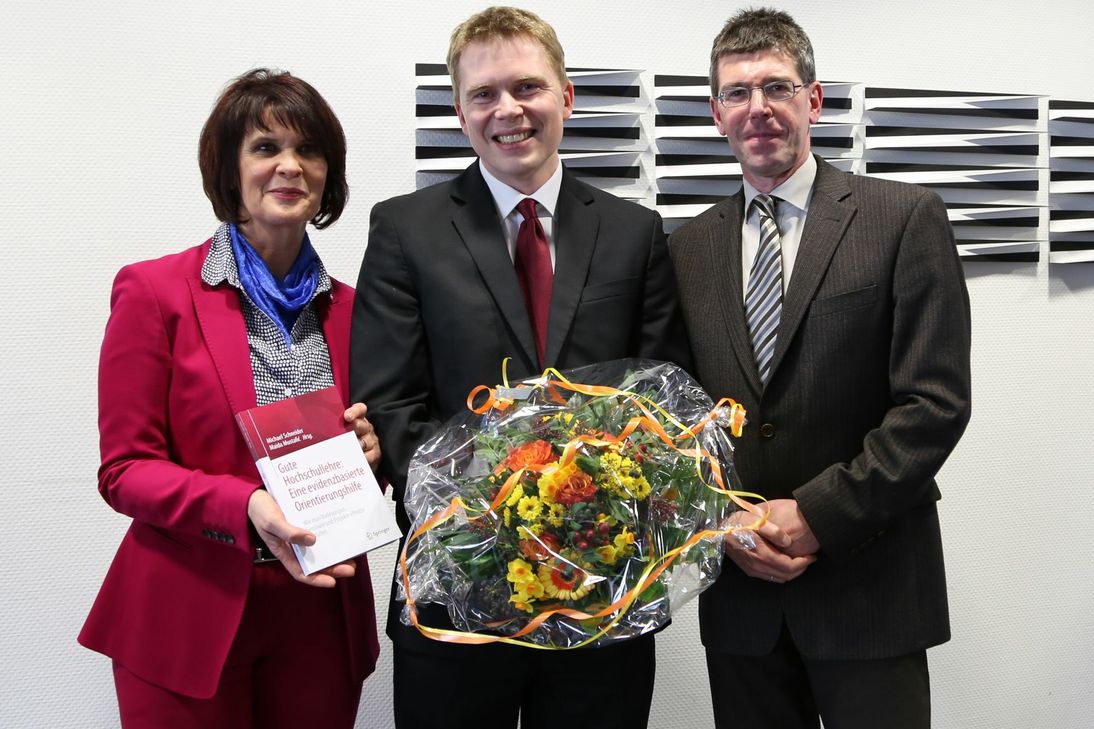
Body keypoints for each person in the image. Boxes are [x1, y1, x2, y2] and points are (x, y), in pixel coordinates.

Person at [350, 6, 689, 728]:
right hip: (453, 598)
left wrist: (583, 526)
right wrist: (494, 527)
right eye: (484, 94)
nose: (508, 110)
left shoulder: (634, 232)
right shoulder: (404, 229)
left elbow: (664, 406)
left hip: (604, 599)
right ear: (460, 109)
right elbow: (390, 404)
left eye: (528, 88)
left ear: (566, 96)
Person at [668, 8, 972, 729]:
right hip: (742, 603)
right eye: (738, 93)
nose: (759, 109)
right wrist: (729, 523)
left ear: (815, 99)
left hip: (869, 589)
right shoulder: (685, 250)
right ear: (717, 113)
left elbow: (934, 403)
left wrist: (815, 515)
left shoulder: (903, 218)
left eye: (777, 87)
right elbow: (675, 417)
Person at [78, 69, 381, 729]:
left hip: (321, 619)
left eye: (309, 150)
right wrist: (244, 504)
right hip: (188, 612)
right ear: (229, 169)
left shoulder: (361, 312)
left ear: (329, 173)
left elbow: (366, 464)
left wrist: (372, 453)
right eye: (265, 147)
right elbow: (124, 469)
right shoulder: (155, 293)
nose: (289, 166)